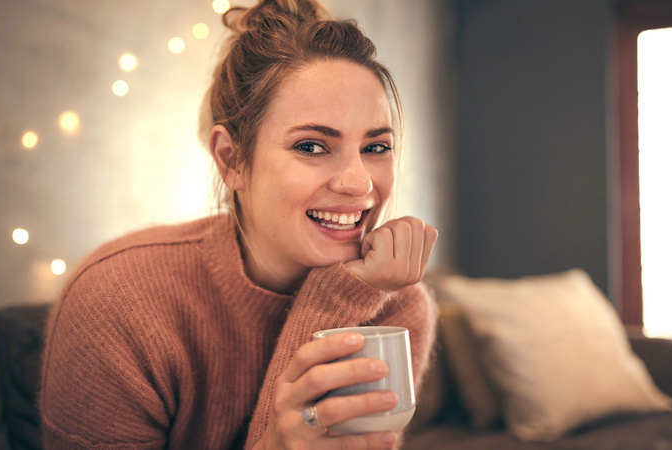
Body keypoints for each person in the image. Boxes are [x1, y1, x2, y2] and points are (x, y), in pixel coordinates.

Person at [40, 0, 439, 448]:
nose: (359, 182)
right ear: (231, 160)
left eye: (376, 147)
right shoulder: (117, 302)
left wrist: (342, 296)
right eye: (311, 146)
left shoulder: (396, 306)